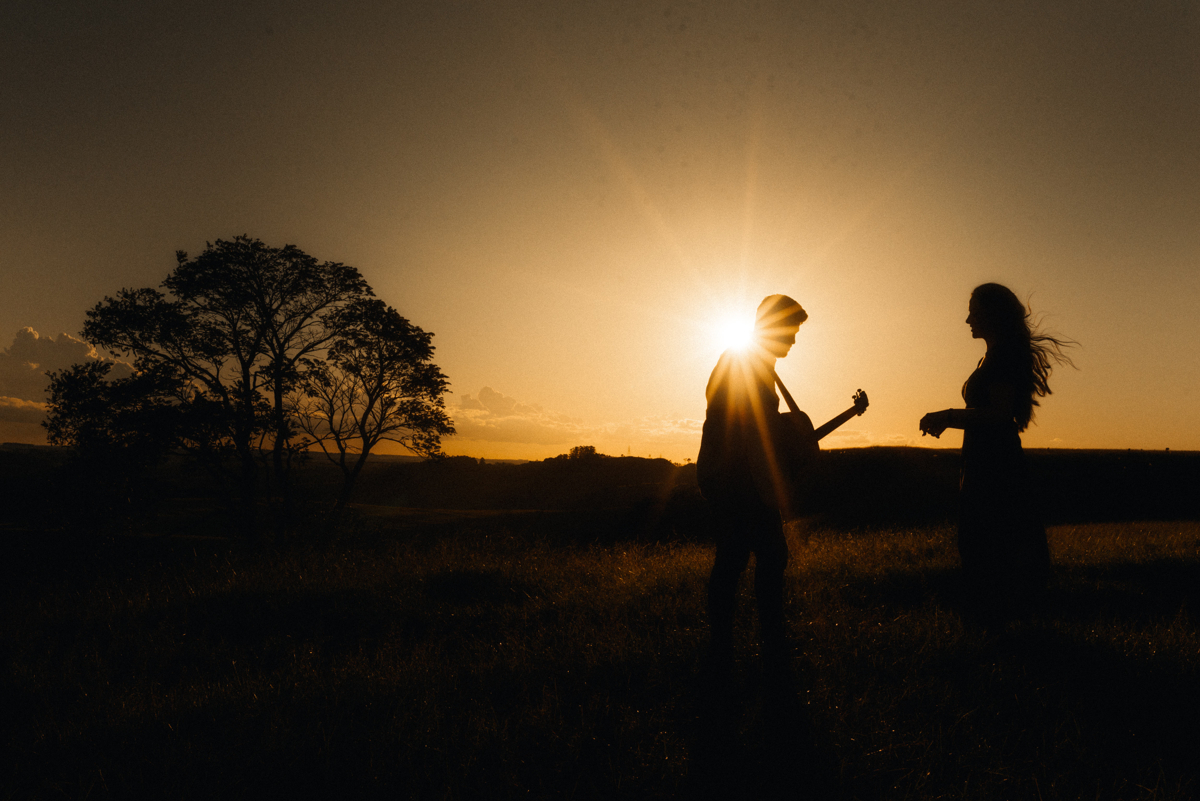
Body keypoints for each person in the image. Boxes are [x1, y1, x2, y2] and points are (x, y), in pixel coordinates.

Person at [920, 283, 1074, 616]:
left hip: (996, 467)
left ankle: (997, 630)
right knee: (985, 547)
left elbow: (1000, 415)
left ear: (991, 314)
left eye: (973, 311)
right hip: (984, 462)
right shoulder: (993, 356)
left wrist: (947, 416)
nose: (967, 320)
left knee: (990, 549)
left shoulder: (1003, 358)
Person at [698, 294, 808, 671]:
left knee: (738, 560)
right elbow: (748, 433)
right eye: (790, 330)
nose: (793, 340)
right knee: (759, 558)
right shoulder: (745, 365)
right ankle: (758, 645)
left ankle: (730, 647)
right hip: (737, 480)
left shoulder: (753, 364)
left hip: (732, 478)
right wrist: (774, 488)